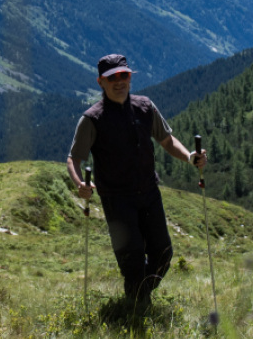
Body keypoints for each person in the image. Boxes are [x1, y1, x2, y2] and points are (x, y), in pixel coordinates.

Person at [68, 53, 206, 305]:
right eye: (113, 78)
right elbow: (74, 159)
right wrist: (80, 184)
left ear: (130, 77)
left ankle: (136, 296)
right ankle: (137, 307)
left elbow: (167, 140)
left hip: (149, 192)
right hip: (117, 199)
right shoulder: (92, 119)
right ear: (101, 82)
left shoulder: (145, 107)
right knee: (131, 259)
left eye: (125, 75)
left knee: (163, 254)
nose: (119, 81)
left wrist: (190, 157)